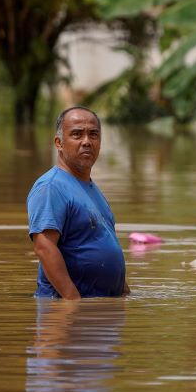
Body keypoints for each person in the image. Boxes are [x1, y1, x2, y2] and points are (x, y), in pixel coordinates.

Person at [27, 106, 130, 299]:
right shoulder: (51, 187)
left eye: (93, 134)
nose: (87, 142)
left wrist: (124, 293)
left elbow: (104, 244)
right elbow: (44, 247)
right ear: (59, 143)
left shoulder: (91, 189)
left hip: (101, 312)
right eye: (77, 134)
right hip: (67, 312)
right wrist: (74, 302)